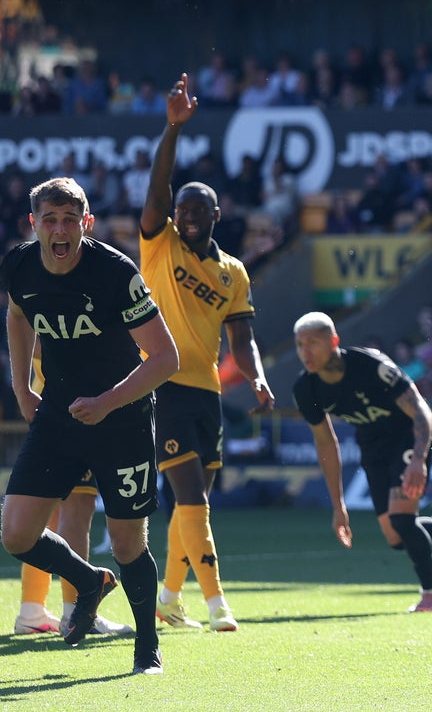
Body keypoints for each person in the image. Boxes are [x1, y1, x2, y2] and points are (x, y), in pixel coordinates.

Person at [0, 176, 179, 674]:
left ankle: (147, 647)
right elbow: (17, 315)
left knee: (127, 541)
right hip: (59, 414)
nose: (60, 231)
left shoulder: (114, 273)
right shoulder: (17, 265)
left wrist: (108, 401)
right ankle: (89, 581)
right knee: (15, 534)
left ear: (87, 223)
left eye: (69, 220)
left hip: (121, 417)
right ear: (33, 225)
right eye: (49, 221)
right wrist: (21, 387)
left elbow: (165, 357)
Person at [140, 73, 276, 633]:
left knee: (191, 505)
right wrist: (172, 129)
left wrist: (259, 378)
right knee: (192, 497)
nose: (187, 214)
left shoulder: (232, 272)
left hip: (208, 394)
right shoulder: (159, 241)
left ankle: (168, 598)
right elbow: (158, 186)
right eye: (182, 207)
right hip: (163, 386)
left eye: (198, 209)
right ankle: (218, 604)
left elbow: (242, 338)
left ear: (216, 217)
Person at [292, 312, 432, 613]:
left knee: (402, 520)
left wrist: (419, 459)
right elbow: (325, 443)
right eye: (300, 345)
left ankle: (431, 594)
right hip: (373, 446)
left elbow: (423, 413)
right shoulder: (306, 389)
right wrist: (338, 505)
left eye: (313, 343)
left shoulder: (371, 366)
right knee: (397, 537)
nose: (306, 352)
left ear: (333, 341)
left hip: (410, 436)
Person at [13, 343, 131, 636]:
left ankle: (32, 609)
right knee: (78, 510)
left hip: (51, 406)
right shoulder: (66, 297)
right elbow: (39, 341)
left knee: (45, 515)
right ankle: (76, 611)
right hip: (74, 408)